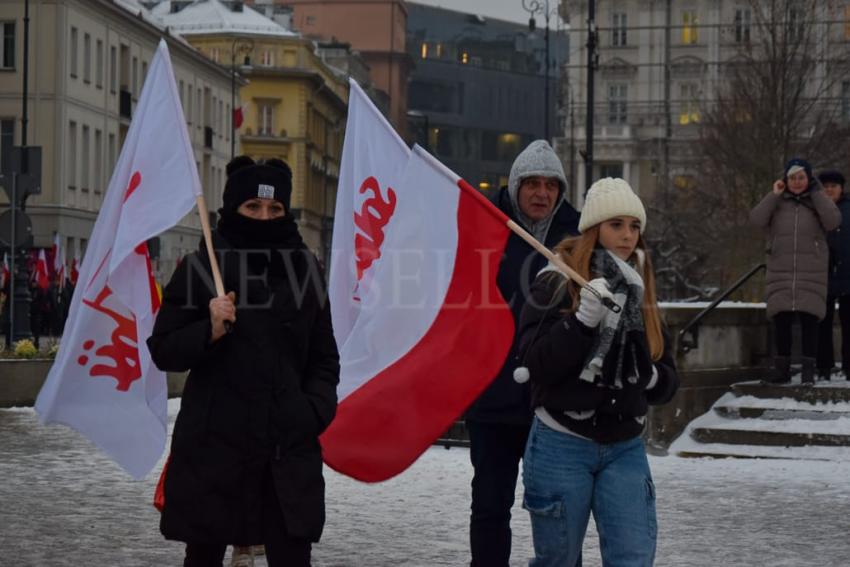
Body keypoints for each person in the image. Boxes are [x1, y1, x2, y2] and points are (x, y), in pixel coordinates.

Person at [147, 156, 340, 567]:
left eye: (275, 209)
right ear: (233, 209)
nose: (264, 216)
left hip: (285, 452)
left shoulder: (306, 268)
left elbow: (324, 358)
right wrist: (210, 329)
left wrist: (311, 412)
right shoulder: (203, 266)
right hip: (215, 451)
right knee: (204, 555)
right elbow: (163, 347)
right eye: (252, 207)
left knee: (292, 555)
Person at [516, 177, 679, 566]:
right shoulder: (556, 279)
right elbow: (534, 363)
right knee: (558, 559)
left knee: (633, 557)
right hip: (561, 441)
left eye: (634, 226)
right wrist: (581, 323)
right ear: (594, 229)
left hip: (624, 444)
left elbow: (667, 375)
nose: (628, 236)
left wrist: (651, 377)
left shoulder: (640, 286)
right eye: (616, 225)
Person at [464, 139, 579, 566]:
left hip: (553, 402)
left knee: (555, 508)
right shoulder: (484, 228)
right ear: (515, 187)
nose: (541, 193)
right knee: (490, 505)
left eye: (551, 185)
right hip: (493, 396)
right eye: (532, 183)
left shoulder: (580, 239)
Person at [750, 158, 841, 384]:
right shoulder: (778, 202)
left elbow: (833, 220)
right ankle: (781, 369)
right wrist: (774, 194)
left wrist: (817, 192)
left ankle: (809, 370)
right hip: (780, 270)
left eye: (801, 178)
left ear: (809, 179)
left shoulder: (817, 201)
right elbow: (757, 219)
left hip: (811, 271)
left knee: (811, 320)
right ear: (785, 180)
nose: (797, 182)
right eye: (792, 178)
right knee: (781, 320)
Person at [817, 170, 850, 381]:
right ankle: (823, 366)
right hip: (821, 274)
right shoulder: (814, 208)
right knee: (821, 324)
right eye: (826, 185)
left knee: (849, 324)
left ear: (841, 188)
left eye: (834, 186)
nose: (829, 189)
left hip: (848, 273)